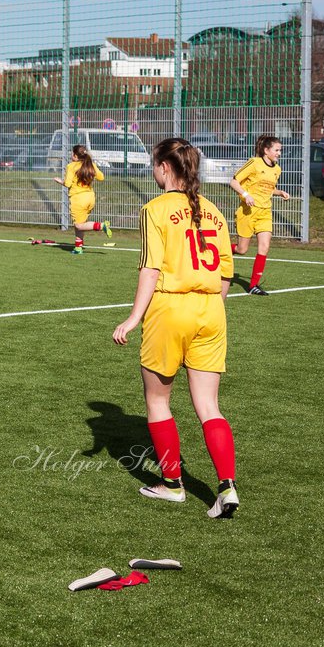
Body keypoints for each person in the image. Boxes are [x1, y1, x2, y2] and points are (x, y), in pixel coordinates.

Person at [113, 138, 239, 519]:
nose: (153, 171)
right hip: (211, 309)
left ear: (166, 168)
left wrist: (133, 317)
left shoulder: (154, 208)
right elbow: (226, 274)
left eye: (154, 164)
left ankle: (171, 485)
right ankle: (226, 487)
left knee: (158, 400)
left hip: (170, 309)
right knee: (208, 405)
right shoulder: (214, 210)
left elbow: (150, 268)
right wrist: (211, 310)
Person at [228, 134, 290, 295]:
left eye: (280, 150)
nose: (279, 153)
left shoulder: (277, 169)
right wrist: (246, 195)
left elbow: (267, 189)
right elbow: (234, 182)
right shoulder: (254, 163)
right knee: (242, 250)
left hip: (265, 213)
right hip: (248, 212)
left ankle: (253, 286)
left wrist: (279, 192)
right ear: (266, 150)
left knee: (265, 246)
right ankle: (221, 250)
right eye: (276, 150)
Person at [51, 144, 111, 254]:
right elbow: (101, 177)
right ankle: (78, 247)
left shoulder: (71, 166)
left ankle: (101, 225)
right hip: (90, 197)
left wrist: (60, 181)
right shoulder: (90, 164)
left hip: (78, 199)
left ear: (74, 155)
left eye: (71, 154)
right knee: (81, 223)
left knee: (78, 225)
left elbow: (68, 184)